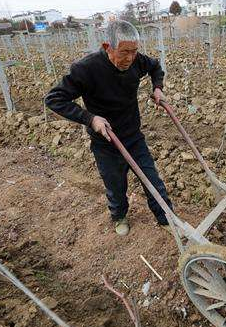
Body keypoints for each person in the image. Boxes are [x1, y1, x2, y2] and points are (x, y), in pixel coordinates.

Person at [45, 20, 173, 236]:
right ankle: (119, 216)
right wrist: (90, 118)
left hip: (133, 136)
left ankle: (167, 219)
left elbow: (155, 67)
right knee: (115, 186)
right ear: (107, 47)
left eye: (134, 52)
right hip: (105, 142)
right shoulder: (86, 69)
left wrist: (158, 88)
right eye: (124, 52)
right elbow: (54, 98)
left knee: (152, 180)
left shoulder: (137, 61)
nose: (130, 58)